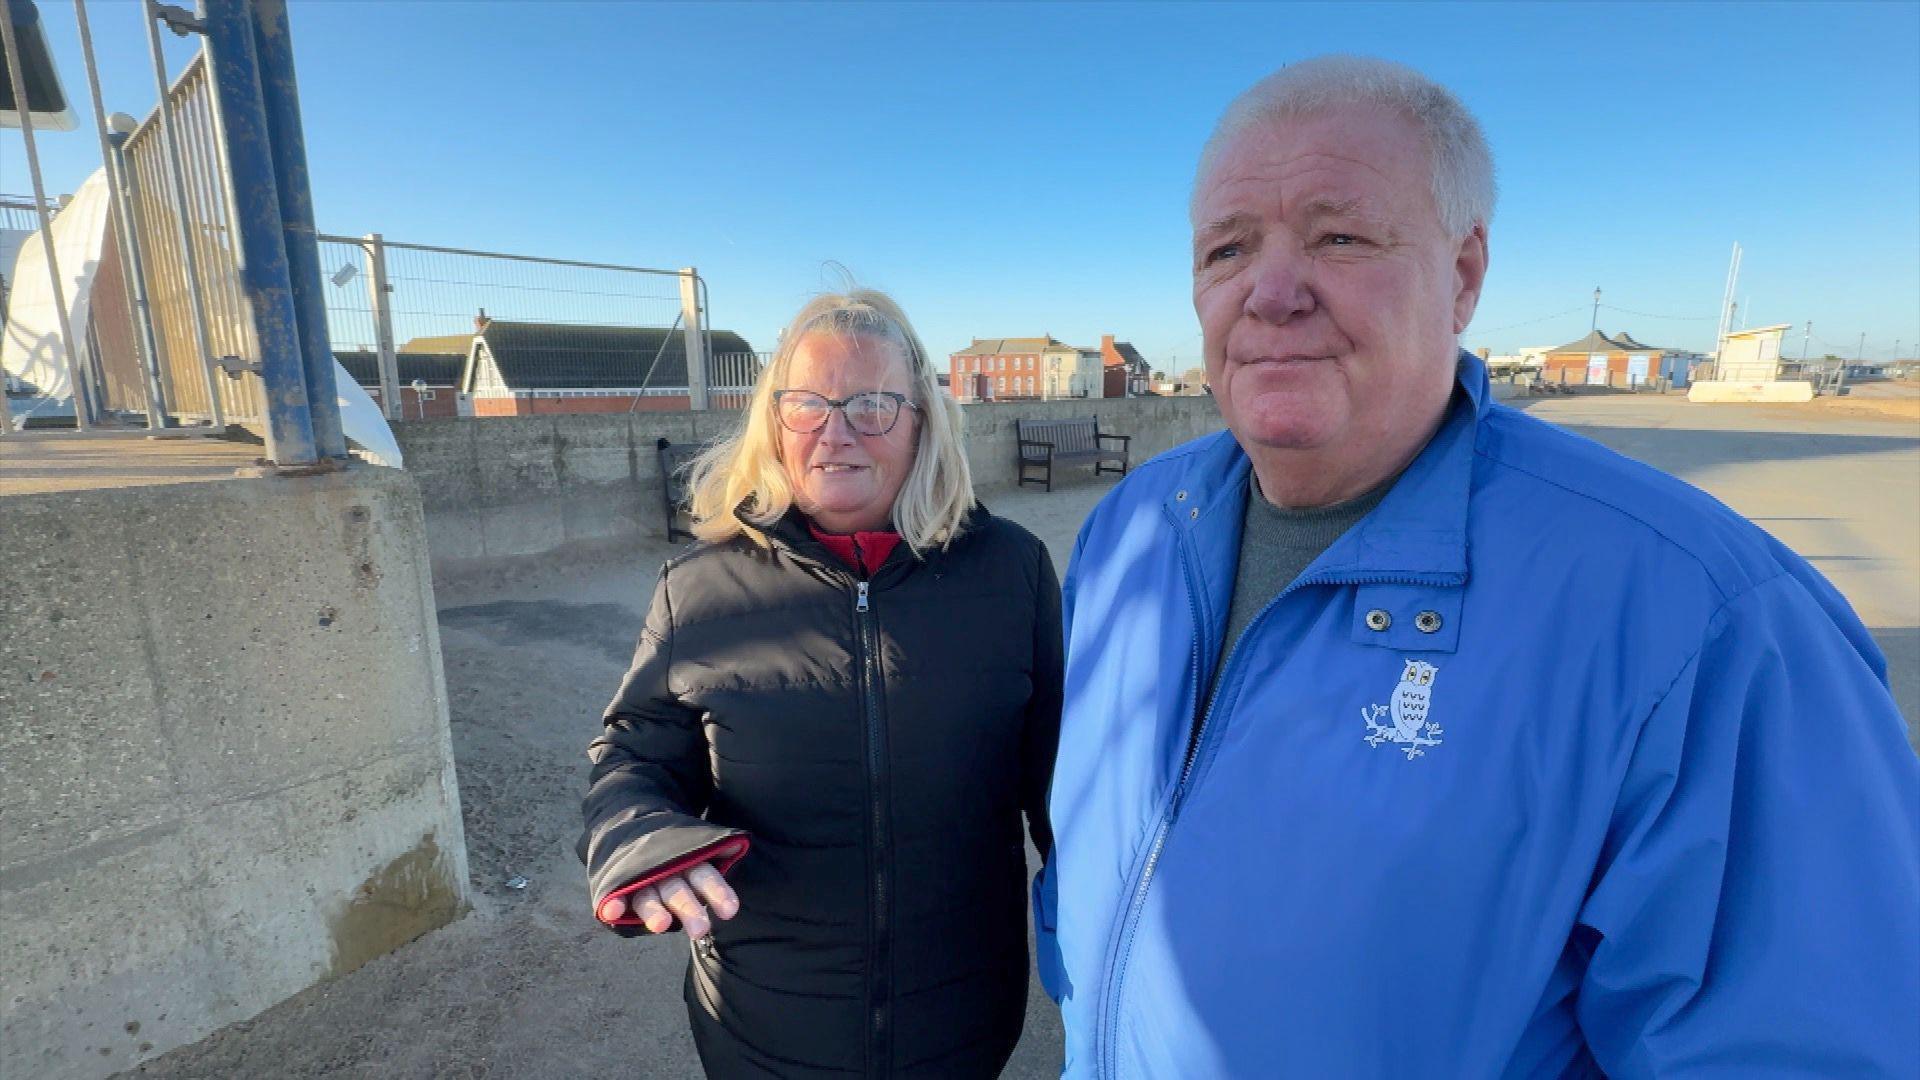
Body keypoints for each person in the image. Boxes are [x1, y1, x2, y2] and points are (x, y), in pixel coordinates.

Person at [1036, 55, 1919, 1078]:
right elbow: (1098, 842)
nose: (1271, 292)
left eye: (1340, 235)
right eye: (1228, 248)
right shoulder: (1135, 526)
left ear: (1462, 274)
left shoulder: (1707, 622)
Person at [579, 289, 1062, 1078]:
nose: (834, 432)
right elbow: (634, 755)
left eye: (871, 404)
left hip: (962, 1016)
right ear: (774, 422)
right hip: (761, 1023)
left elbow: (1060, 779)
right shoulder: (698, 588)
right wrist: (637, 837)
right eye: (806, 404)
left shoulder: (1011, 569)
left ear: (921, 421)